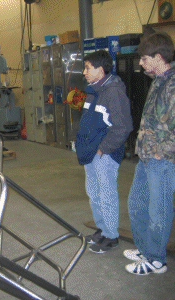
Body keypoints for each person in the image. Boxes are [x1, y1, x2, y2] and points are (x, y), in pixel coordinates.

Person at [124, 32, 175, 275]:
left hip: (163, 160)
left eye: (144, 59)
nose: (141, 64)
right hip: (146, 156)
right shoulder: (158, 80)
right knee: (136, 203)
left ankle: (156, 260)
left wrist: (161, 152)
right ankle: (146, 248)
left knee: (159, 211)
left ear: (158, 57)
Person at [75, 50, 133, 253]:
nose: (84, 72)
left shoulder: (114, 92)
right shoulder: (93, 90)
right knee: (94, 193)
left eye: (88, 68)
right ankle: (102, 229)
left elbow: (123, 127)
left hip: (104, 154)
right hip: (92, 153)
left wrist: (103, 150)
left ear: (101, 70)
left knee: (106, 193)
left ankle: (111, 236)